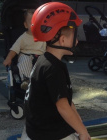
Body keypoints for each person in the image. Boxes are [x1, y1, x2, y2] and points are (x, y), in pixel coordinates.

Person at [23, 2, 90, 140]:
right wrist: (82, 132)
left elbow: (68, 102)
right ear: (63, 39)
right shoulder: (53, 68)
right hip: (47, 134)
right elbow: (63, 107)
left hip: (35, 130)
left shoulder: (45, 61)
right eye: (74, 37)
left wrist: (79, 125)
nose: (77, 41)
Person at [3, 9, 46, 90]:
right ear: (26, 25)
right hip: (26, 55)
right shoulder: (23, 37)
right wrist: (8, 58)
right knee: (24, 62)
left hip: (40, 56)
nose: (35, 25)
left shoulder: (44, 37)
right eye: (32, 23)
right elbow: (14, 49)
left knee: (46, 64)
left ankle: (43, 82)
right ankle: (26, 80)